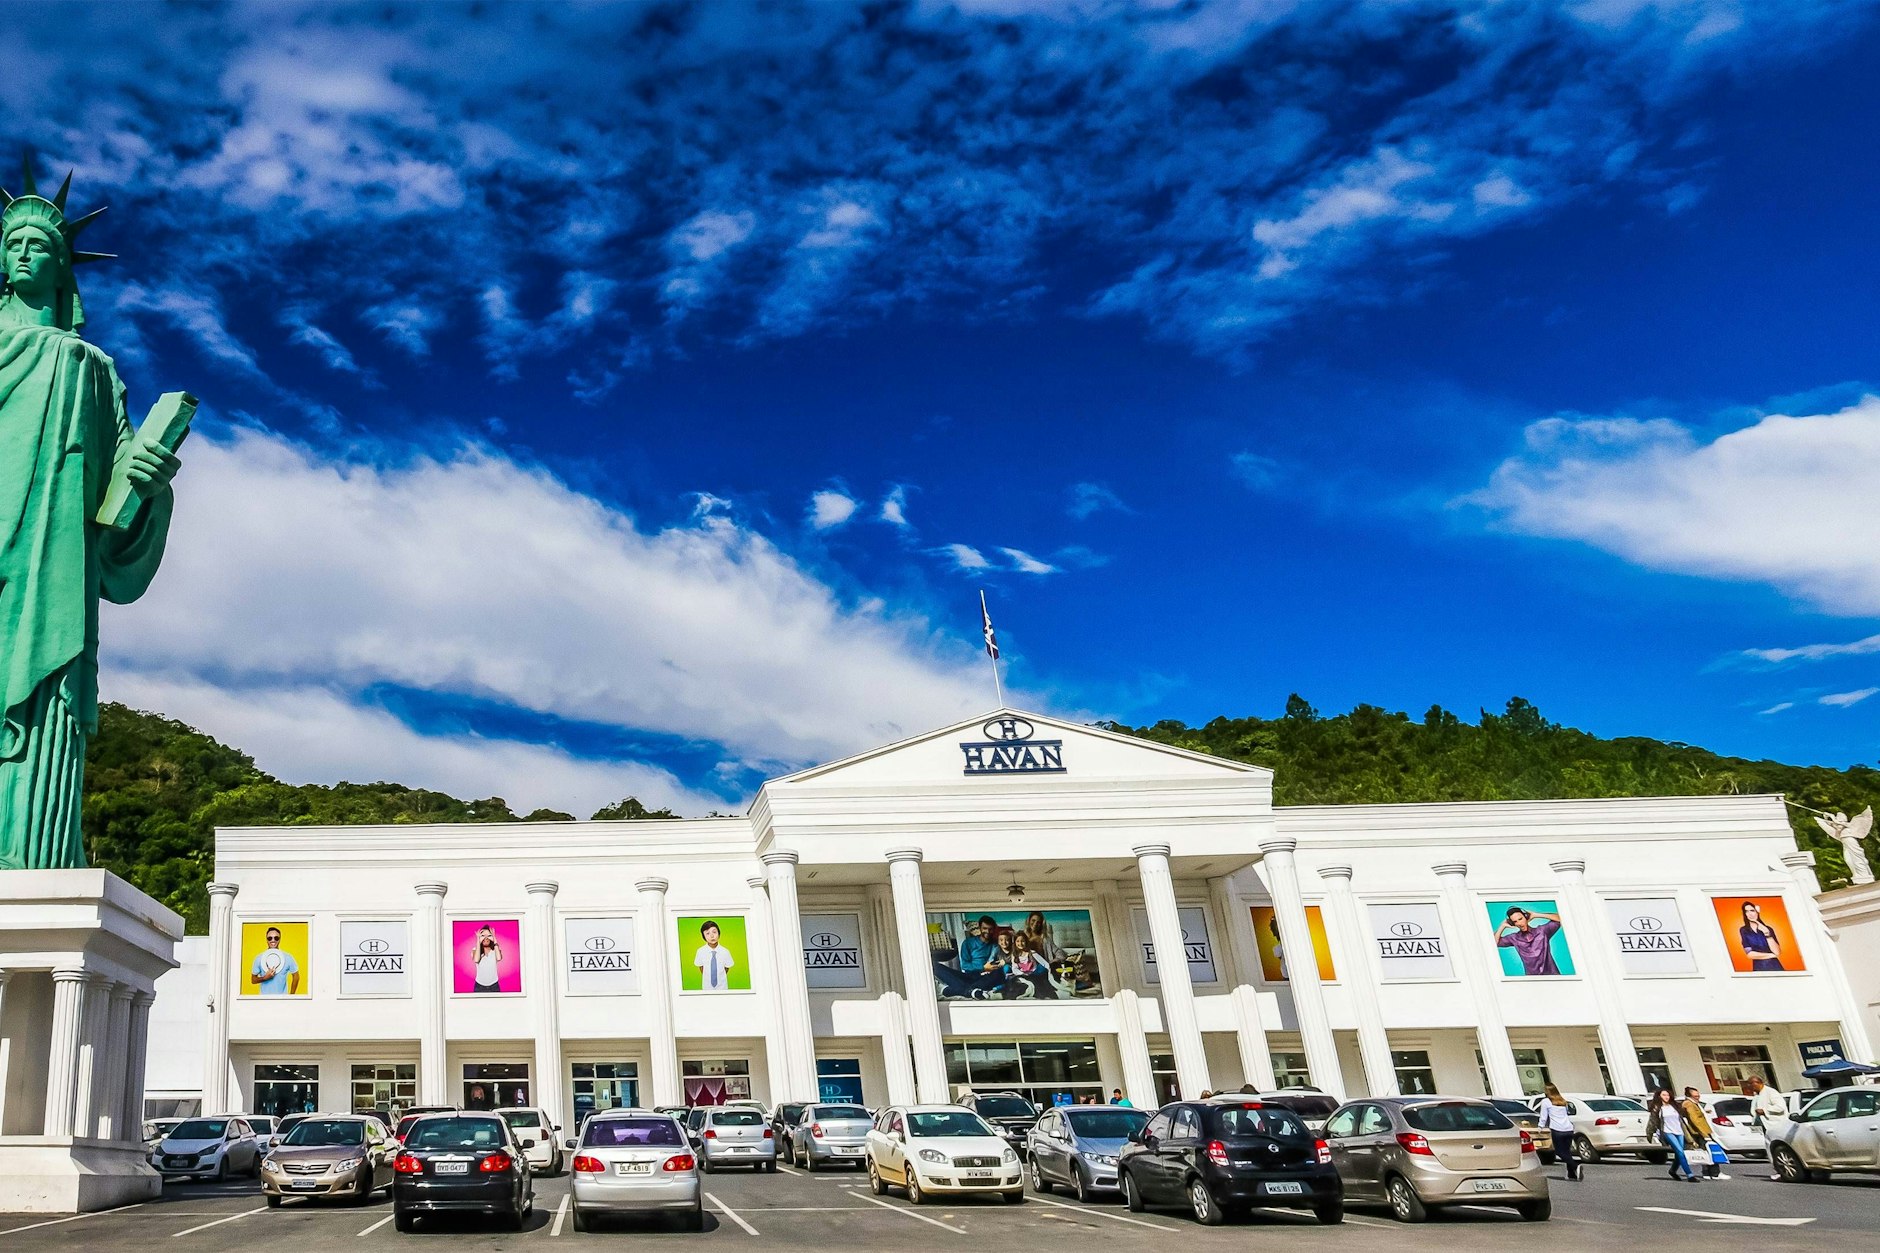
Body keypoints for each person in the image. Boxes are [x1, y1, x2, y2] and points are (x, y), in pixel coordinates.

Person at [1495, 906, 1565, 976]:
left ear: (1526, 917)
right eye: (1515, 921)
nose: (1519, 923)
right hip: (1532, 979)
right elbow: (1493, 943)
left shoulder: (1542, 931)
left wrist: (1535, 915)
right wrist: (1502, 926)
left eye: (1520, 919)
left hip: (1553, 975)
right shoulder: (1514, 938)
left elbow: (1561, 918)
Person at [1646, 1089, 1697, 1181]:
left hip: (1679, 1132)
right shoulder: (1657, 1108)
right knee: (1680, 1152)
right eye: (1664, 1095)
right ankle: (1690, 1175)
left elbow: (1682, 1118)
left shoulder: (1675, 1106)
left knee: (1679, 1154)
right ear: (1659, 1096)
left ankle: (1673, 1170)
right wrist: (1649, 1134)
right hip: (1667, 1132)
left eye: (1668, 1095)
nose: (1666, 1097)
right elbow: (1652, 1122)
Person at [1747, 1077, 1788, 1180]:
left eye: (1751, 1084)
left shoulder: (1771, 1092)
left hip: (1776, 1126)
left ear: (1757, 1083)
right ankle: (1779, 1170)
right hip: (1766, 1127)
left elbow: (1780, 1107)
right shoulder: (1757, 1095)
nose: (1749, 1086)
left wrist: (1765, 1110)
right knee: (1770, 1149)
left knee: (1777, 1149)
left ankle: (1782, 1171)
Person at [1539, 1084, 1579, 1181]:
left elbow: (1544, 1116)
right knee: (1567, 1151)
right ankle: (1571, 1174)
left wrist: (1540, 1126)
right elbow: (1566, 1114)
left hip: (1557, 1129)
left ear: (1547, 1092)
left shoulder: (1546, 1101)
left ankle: (1575, 1166)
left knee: (1559, 1151)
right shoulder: (1563, 1101)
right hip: (1568, 1129)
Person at [1681, 1087, 1723, 1179]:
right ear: (1689, 1096)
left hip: (1701, 1131)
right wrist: (1704, 1134)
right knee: (1711, 1151)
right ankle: (1715, 1173)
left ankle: (1707, 1173)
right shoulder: (1689, 1104)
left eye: (1698, 1096)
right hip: (1701, 1132)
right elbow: (1695, 1120)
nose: (1698, 1098)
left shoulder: (1693, 1103)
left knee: (1705, 1152)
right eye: (1695, 1096)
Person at [250, 926, 301, 995]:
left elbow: (296, 976)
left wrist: (291, 996)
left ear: (279, 939)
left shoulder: (288, 957)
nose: (273, 940)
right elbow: (253, 980)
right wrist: (265, 978)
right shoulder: (259, 958)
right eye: (270, 938)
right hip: (264, 999)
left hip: (282, 999)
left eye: (276, 938)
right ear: (266, 939)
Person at [1738, 902, 1785, 971]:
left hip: (1775, 966)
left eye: (1752, 910)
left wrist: (1766, 933)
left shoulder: (1768, 929)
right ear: (1745, 914)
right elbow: (1750, 954)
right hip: (1759, 967)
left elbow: (1777, 952)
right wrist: (1772, 955)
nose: (1750, 914)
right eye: (1746, 911)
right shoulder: (1744, 930)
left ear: (1757, 912)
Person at [693, 919, 735, 990]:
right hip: (707, 987)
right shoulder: (700, 951)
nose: (712, 936)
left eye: (714, 932)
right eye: (707, 933)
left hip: (722, 987)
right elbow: (701, 967)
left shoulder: (725, 952)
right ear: (703, 936)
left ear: (719, 933)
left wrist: (719, 976)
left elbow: (727, 968)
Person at [469, 924, 504, 993]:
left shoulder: (495, 950)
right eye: (483, 936)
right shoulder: (475, 950)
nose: (486, 938)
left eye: (488, 936)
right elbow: (476, 960)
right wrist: (478, 940)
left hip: (494, 985)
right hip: (479, 986)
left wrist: (494, 937)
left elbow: (499, 958)